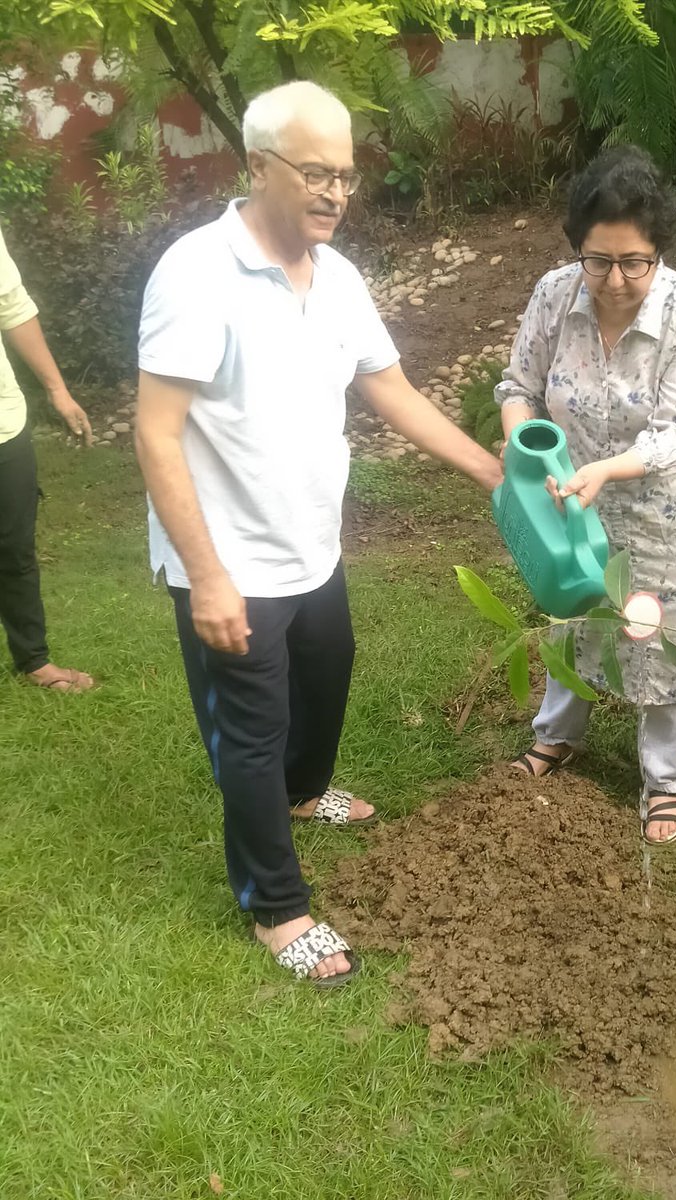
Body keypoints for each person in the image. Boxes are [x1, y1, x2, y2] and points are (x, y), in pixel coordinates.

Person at [135, 81, 502, 988]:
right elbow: (155, 429)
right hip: (231, 560)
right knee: (249, 731)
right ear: (258, 167)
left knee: (327, 675)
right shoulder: (195, 273)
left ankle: (304, 794)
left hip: (312, 543)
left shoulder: (336, 278)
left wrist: (493, 472)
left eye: (347, 174)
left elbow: (391, 388)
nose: (337, 191)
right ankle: (276, 906)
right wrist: (206, 576)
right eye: (315, 173)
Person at [495, 145, 676, 845]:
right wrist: (524, 449)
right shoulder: (555, 295)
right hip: (580, 492)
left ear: (659, 252)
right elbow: (519, 387)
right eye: (597, 259)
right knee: (573, 612)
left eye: (632, 262)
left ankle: (667, 777)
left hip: (673, 501)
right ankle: (559, 735)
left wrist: (607, 469)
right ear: (577, 249)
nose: (613, 280)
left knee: (657, 627)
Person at [0, 226, 95, 692]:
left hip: (3, 422)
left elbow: (12, 305)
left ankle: (33, 660)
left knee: (14, 548)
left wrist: (58, 391)